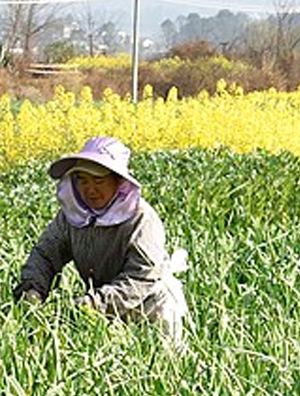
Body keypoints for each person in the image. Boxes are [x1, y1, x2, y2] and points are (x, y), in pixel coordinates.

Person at [14, 135, 188, 346]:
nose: (90, 189)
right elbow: (46, 254)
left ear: (118, 181)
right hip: (105, 309)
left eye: (99, 181)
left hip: (152, 307)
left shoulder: (140, 218)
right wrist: (33, 288)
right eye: (83, 180)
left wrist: (96, 303)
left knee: (161, 361)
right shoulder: (73, 215)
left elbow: (142, 275)